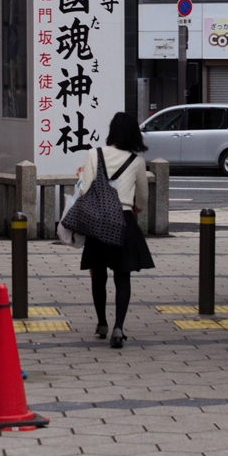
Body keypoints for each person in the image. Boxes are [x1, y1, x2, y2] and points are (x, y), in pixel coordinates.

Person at [78, 112, 154, 348]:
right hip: (123, 219)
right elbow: (142, 196)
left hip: (99, 220)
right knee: (123, 276)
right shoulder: (137, 161)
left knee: (98, 274)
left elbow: (86, 190)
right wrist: (137, 207)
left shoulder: (94, 153)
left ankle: (101, 323)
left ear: (112, 131)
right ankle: (118, 328)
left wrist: (80, 175)